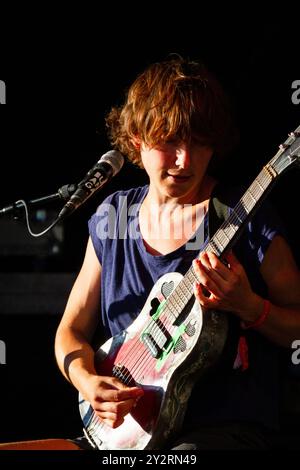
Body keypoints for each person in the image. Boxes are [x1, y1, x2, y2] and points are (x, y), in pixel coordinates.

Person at [1, 55, 300, 451]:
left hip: (219, 434)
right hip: (121, 440)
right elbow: (70, 332)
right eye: (170, 141)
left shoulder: (247, 219)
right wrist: (88, 383)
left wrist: (250, 307)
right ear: (137, 139)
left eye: (199, 142)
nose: (185, 160)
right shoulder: (113, 217)